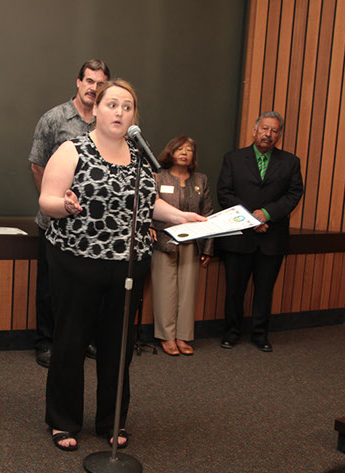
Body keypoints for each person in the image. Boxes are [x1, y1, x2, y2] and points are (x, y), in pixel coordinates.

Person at [39, 79, 206, 451]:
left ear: (134, 116)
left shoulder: (140, 158)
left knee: (118, 347)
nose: (119, 112)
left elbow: (147, 204)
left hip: (128, 267)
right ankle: (63, 420)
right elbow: (47, 199)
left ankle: (111, 420)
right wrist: (64, 205)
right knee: (71, 343)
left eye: (127, 107)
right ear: (95, 109)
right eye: (112, 104)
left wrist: (178, 216)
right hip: (77, 262)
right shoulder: (72, 149)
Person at [29, 59, 110, 368]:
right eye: (89, 81)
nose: (94, 88)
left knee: (87, 287)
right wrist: (50, 202)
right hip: (56, 221)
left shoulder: (107, 121)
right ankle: (46, 342)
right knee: (51, 287)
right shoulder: (55, 118)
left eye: (100, 83)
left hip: (93, 227)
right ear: (78, 82)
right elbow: (37, 164)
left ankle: (85, 338)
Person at [216, 111, 304, 352]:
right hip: (240, 237)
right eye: (265, 129)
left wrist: (267, 214)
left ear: (279, 136)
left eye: (274, 131)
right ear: (255, 130)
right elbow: (224, 193)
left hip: (272, 237)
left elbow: (294, 194)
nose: (269, 134)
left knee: (265, 290)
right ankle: (231, 332)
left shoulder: (290, 162)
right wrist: (250, 218)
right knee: (234, 290)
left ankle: (260, 334)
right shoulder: (233, 159)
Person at [150, 136, 213, 356]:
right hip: (163, 241)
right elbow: (148, 206)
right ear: (171, 151)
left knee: (188, 291)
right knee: (165, 290)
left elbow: (208, 215)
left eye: (189, 150)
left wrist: (207, 248)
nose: (185, 153)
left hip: (192, 243)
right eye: (180, 149)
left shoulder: (201, 180)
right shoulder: (158, 177)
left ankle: (183, 335)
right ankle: (167, 336)